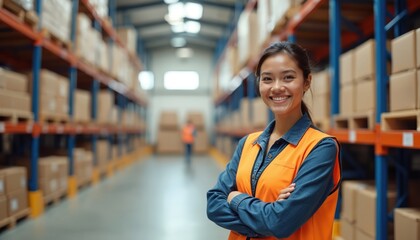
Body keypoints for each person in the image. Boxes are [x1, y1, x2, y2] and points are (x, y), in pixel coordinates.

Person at [206, 42, 341, 240]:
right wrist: (265, 220)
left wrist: (235, 198)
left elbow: (280, 222)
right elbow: (214, 204)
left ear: (306, 82)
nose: (277, 87)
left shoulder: (320, 148)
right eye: (267, 79)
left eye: (288, 77)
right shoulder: (247, 144)